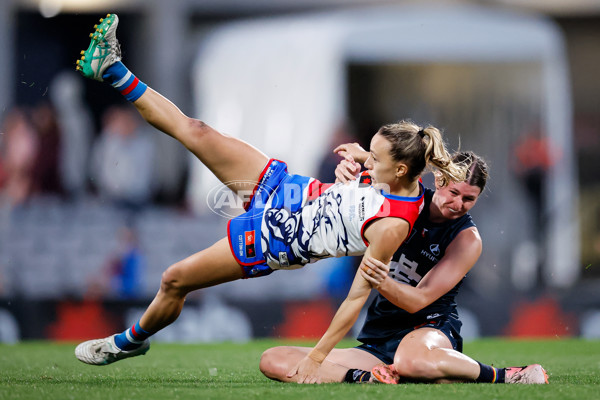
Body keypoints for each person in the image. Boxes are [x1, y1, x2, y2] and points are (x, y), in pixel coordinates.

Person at [73, 14, 466, 367]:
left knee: (174, 280)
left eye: (373, 157)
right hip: (286, 190)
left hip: (276, 238)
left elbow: (354, 300)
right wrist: (361, 159)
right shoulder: (393, 172)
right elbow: (371, 171)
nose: (366, 158)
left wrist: (317, 358)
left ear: (399, 169)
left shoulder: (393, 226)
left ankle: (126, 343)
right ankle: (111, 68)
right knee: (198, 131)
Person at [259, 149, 549, 384]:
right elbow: (376, 172)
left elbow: (418, 301)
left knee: (412, 360)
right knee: (274, 359)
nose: (458, 203)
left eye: (469, 199)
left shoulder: (467, 239)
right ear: (439, 180)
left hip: (430, 328)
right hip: (380, 338)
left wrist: (378, 278)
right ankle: (369, 379)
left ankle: (507, 375)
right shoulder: (407, 197)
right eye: (453, 192)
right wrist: (347, 174)